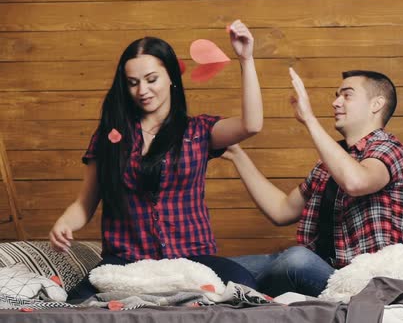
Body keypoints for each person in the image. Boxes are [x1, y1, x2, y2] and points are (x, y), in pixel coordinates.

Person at [48, 20, 263, 303]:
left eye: (151, 79)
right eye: (133, 83)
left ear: (170, 77)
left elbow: (252, 125)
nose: (142, 91)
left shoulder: (198, 131)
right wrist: (65, 222)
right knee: (75, 305)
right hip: (127, 264)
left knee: (243, 288)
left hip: (193, 259)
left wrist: (245, 59)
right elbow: (84, 204)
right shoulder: (109, 137)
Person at [223, 68, 403, 297]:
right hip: (320, 268)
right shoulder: (329, 161)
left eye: (347, 95)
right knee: (216, 268)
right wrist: (237, 155)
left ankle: (246, 293)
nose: (336, 102)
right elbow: (281, 210)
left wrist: (309, 119)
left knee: (296, 258)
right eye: (337, 95)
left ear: (376, 104)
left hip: (363, 283)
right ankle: (241, 291)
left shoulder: (390, 148)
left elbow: (356, 182)